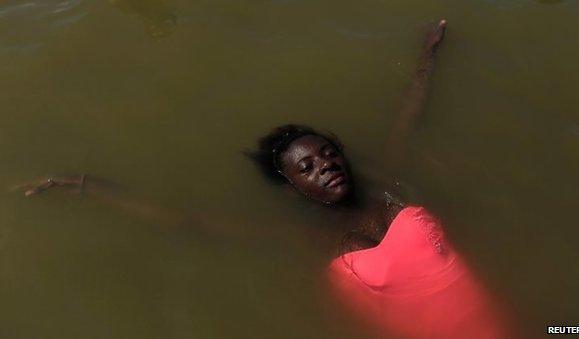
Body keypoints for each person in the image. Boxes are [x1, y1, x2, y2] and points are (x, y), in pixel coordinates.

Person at [19, 20, 514, 338]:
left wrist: (428, 55)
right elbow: (185, 223)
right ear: (292, 187)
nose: (325, 166)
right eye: (308, 168)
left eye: (327, 154)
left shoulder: (386, 182)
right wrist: (89, 188)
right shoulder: (304, 237)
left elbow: (409, 116)